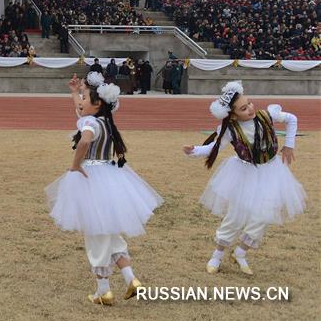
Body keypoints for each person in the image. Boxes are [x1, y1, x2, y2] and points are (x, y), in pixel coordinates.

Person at [46, 72, 163, 305]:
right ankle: (131, 279)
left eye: (85, 98)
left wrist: (74, 164)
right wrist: (75, 92)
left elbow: (85, 140)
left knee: (96, 236)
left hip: (91, 177)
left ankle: (104, 291)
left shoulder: (91, 123)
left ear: (97, 103)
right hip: (109, 176)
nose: (80, 103)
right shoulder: (105, 121)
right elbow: (82, 111)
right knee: (110, 233)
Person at [182, 82, 304, 275]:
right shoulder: (231, 130)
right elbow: (214, 148)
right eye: (243, 108)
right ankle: (217, 255)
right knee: (236, 215)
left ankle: (240, 252)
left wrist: (289, 145)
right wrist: (194, 150)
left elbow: (292, 119)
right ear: (232, 114)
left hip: (271, 171)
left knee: (265, 214)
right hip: (245, 173)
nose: (250, 109)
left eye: (249, 103)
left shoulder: (267, 115)